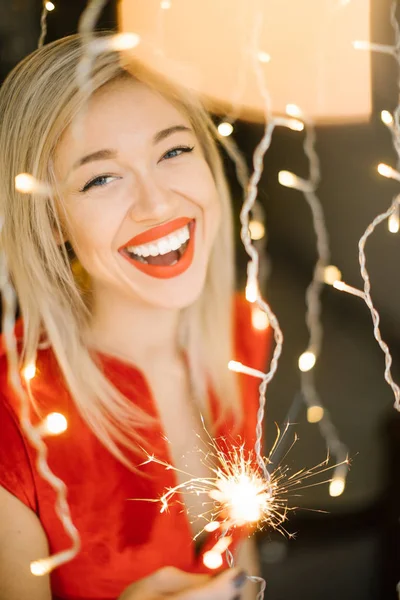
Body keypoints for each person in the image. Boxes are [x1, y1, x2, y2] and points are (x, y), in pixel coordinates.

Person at [0, 33, 270, 600]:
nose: (158, 204)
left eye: (173, 151)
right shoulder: (10, 415)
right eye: (101, 178)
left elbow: (243, 562)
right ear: (52, 222)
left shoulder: (244, 332)